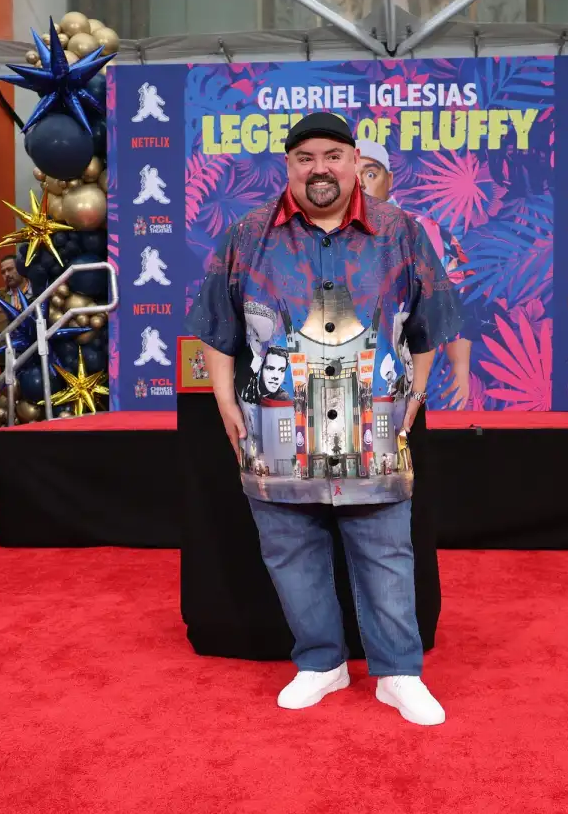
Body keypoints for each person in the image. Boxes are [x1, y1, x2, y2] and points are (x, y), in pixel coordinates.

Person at [187, 114, 462, 726]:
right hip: (276, 429)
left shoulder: (400, 230)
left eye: (333, 156)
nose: (320, 169)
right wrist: (226, 402)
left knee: (387, 552)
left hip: (374, 430)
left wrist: (416, 393)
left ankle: (399, 672)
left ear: (355, 161)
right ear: (288, 165)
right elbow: (216, 324)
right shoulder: (248, 235)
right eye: (305, 157)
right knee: (290, 550)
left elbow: (431, 320)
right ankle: (320, 662)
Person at [357, 138, 472, 409]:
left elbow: (456, 306)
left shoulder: (425, 231)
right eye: (351, 176)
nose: (360, 184)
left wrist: (459, 371)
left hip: (417, 381)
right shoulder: (323, 238)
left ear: (389, 180)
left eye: (370, 174)